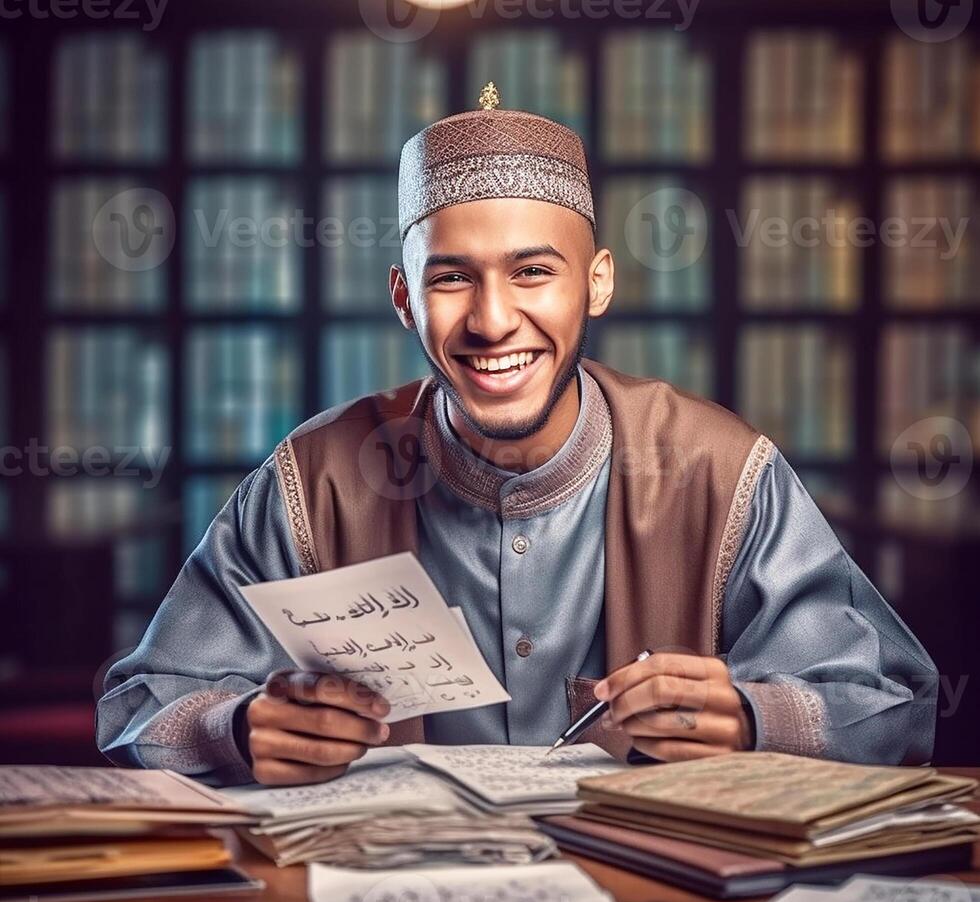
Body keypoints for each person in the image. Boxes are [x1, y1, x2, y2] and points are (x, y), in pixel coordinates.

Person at [96, 85, 938, 787]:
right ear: (403, 299)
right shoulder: (312, 480)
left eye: (534, 271)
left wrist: (757, 717)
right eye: (453, 279)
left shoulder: (718, 468)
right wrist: (235, 728)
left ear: (597, 284)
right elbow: (138, 702)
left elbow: (897, 700)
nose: (494, 322)